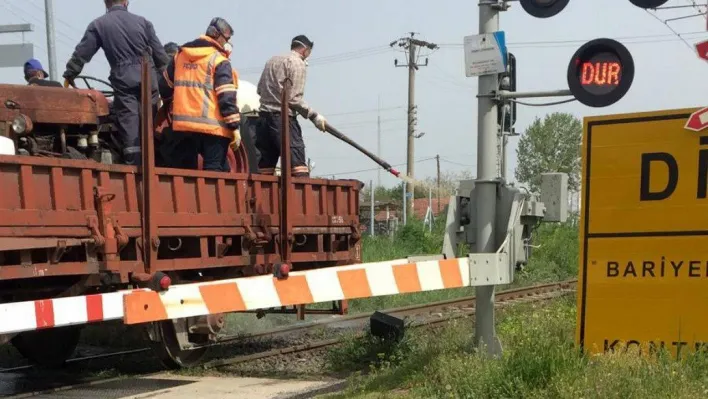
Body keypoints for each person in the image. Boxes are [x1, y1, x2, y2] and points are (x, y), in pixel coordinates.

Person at [62, 0, 169, 166]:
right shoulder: (143, 22)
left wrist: (70, 74)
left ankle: (134, 166)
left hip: (123, 79)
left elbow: (82, 54)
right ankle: (155, 163)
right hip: (149, 79)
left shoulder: (98, 25)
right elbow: (161, 58)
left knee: (130, 125)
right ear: (126, 2)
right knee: (150, 123)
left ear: (105, 3)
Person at [157, 17, 241, 172]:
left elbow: (165, 87)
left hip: (184, 127)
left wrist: (174, 106)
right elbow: (226, 97)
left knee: (188, 173)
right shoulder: (219, 60)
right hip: (213, 128)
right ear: (217, 36)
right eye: (227, 39)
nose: (227, 43)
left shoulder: (180, 56)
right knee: (214, 173)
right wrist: (234, 127)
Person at [255, 35, 326, 177]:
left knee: (265, 168)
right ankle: (300, 199)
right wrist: (314, 115)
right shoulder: (297, 63)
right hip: (282, 121)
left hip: (263, 120)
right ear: (305, 50)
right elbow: (293, 99)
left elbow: (259, 89)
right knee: (298, 166)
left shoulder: (272, 61)